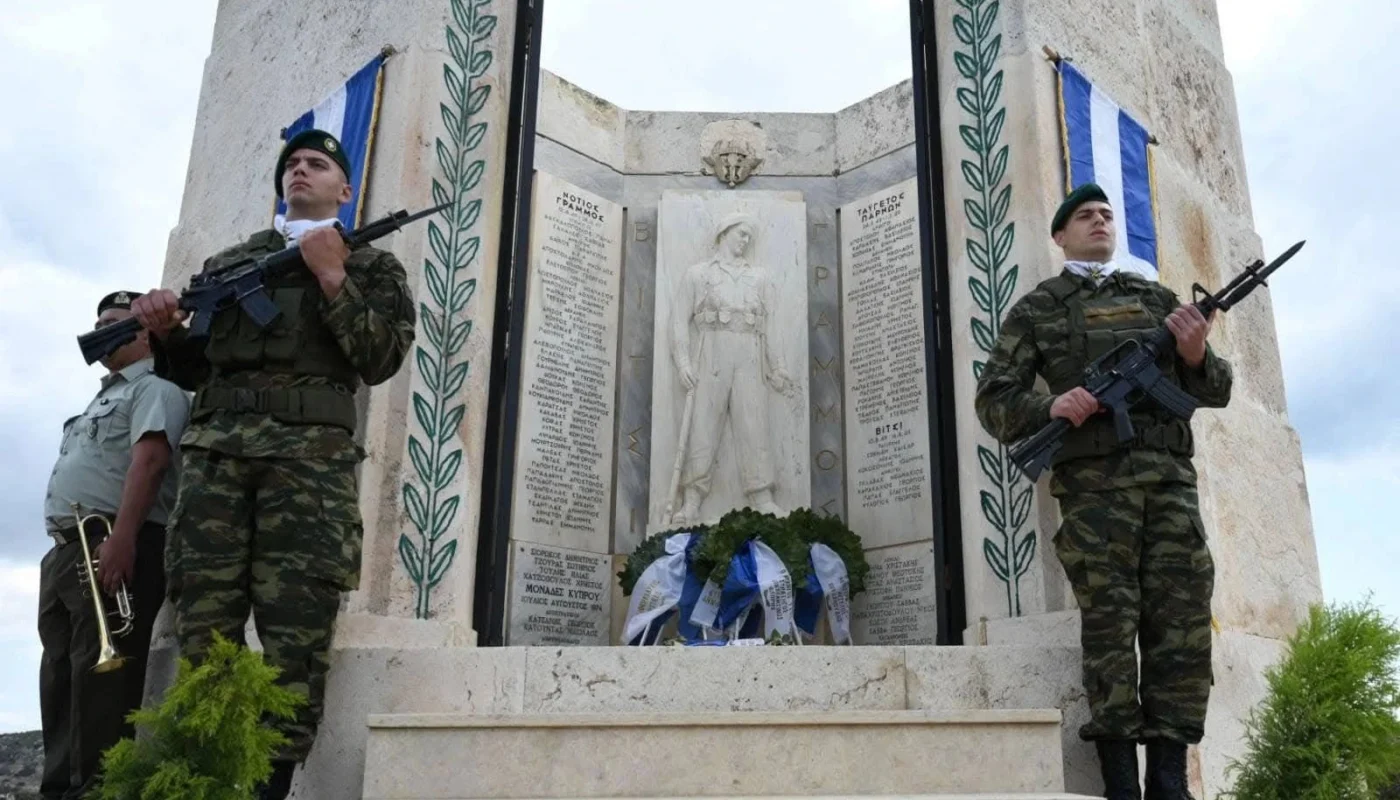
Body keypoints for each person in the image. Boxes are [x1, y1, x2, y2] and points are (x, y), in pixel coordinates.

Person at [129, 128, 416, 799]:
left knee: (296, 633)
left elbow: (380, 359)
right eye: (291, 164)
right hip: (216, 464)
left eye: (316, 164)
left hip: (306, 469)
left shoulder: (371, 265)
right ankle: (209, 775)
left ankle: (270, 785)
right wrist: (165, 334)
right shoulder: (232, 263)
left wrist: (332, 275)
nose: (299, 171)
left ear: (345, 189)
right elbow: (195, 369)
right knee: (205, 627)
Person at [974, 183, 1231, 800]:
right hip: (1094, 496)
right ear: (1060, 236)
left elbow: (1215, 390)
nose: (1100, 221)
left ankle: (1169, 779)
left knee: (1181, 625)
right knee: (1111, 630)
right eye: (1085, 215)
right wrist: (1051, 405)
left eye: (1107, 215)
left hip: (1169, 488)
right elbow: (994, 400)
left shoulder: (1156, 300)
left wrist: (1195, 353)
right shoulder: (1038, 308)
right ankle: (1120, 782)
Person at [38, 290, 189, 800]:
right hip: (68, 548)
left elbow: (150, 462)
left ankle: (99, 789)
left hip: (114, 539)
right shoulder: (102, 399)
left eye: (115, 323)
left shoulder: (155, 389)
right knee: (61, 672)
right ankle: (60, 787)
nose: (102, 330)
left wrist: (122, 539)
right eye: (99, 322)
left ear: (145, 333)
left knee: (103, 677)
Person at [667, 213, 795, 525]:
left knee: (754, 424)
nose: (746, 241)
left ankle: (761, 497)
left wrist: (778, 366)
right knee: (703, 425)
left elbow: (772, 327)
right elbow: (678, 321)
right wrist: (683, 362)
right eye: (741, 233)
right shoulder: (698, 274)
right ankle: (692, 500)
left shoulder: (760, 277)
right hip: (711, 352)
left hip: (749, 354)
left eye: (749, 236)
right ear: (723, 233)